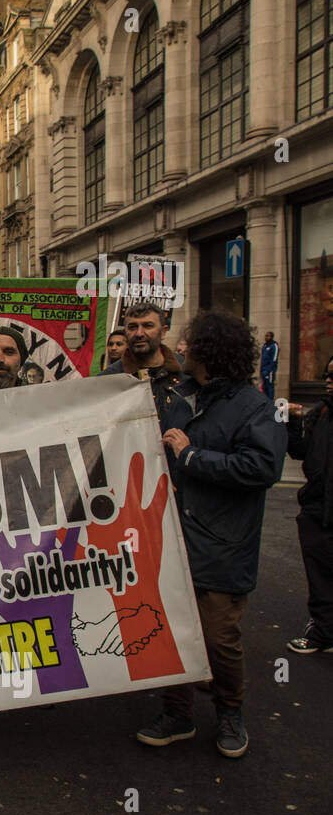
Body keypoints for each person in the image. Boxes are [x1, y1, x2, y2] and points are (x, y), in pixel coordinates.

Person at [137, 311, 285, 758]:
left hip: (223, 547)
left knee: (219, 639)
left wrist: (193, 456)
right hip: (175, 538)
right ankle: (177, 713)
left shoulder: (253, 406)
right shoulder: (184, 398)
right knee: (173, 632)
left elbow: (262, 468)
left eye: (190, 344)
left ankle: (230, 713)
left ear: (210, 352)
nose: (182, 350)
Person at [285, 354, 333, 654]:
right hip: (318, 510)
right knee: (320, 578)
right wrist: (291, 421)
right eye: (327, 374)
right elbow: (300, 452)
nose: (328, 380)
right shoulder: (322, 412)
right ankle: (323, 632)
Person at [100, 302, 184, 429]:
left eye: (148, 326)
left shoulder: (186, 371)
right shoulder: (108, 379)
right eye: (132, 327)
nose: (139, 333)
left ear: (163, 332)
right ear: (125, 332)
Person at [260, 331, 279, 400]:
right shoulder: (264, 346)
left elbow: (274, 359)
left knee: (270, 386)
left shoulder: (274, 346)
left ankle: (270, 401)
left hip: (269, 370)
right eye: (266, 336)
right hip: (263, 369)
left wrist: (269, 369)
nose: (266, 337)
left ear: (271, 337)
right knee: (264, 387)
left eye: (268, 336)